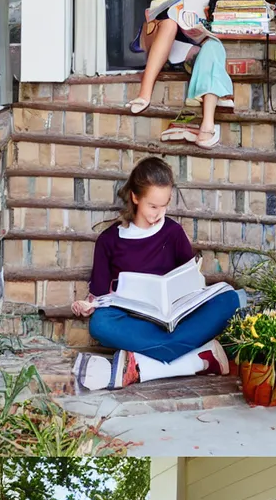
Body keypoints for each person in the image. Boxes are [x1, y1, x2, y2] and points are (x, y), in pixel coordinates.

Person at [72, 155, 242, 391]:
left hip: (175, 320)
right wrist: (88, 305)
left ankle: (142, 366)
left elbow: (190, 282)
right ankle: (198, 358)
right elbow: (100, 296)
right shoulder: (109, 241)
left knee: (230, 300)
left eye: (165, 205)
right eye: (153, 206)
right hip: (136, 323)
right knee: (101, 324)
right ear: (135, 197)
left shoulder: (173, 233)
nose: (159, 214)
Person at [129, 0, 235, 148]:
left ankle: (206, 125)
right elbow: (160, 9)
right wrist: (167, 9)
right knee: (169, 23)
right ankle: (145, 92)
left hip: (192, 42)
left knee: (213, 47)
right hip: (163, 37)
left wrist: (211, 15)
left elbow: (222, 14)